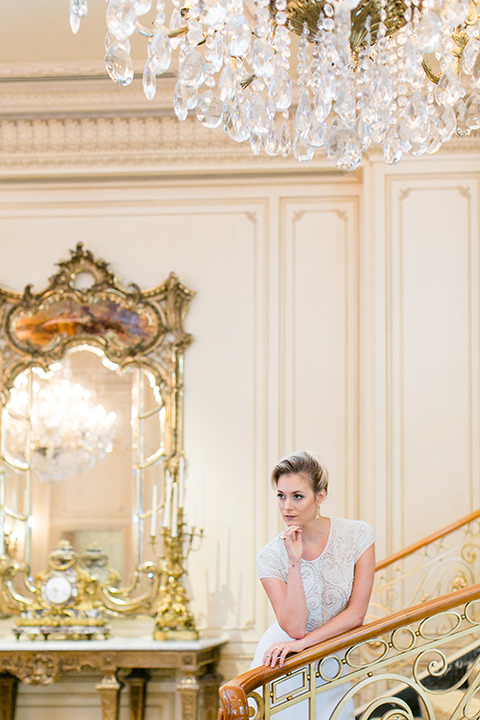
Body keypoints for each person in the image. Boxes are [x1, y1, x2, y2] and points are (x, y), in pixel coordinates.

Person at [251, 450, 375, 719]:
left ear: (320, 496)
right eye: (281, 496)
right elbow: (294, 628)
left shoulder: (357, 535)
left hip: (331, 658)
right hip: (286, 659)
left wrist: (307, 643)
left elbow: (356, 614)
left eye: (297, 496)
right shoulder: (270, 556)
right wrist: (294, 562)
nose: (287, 507)